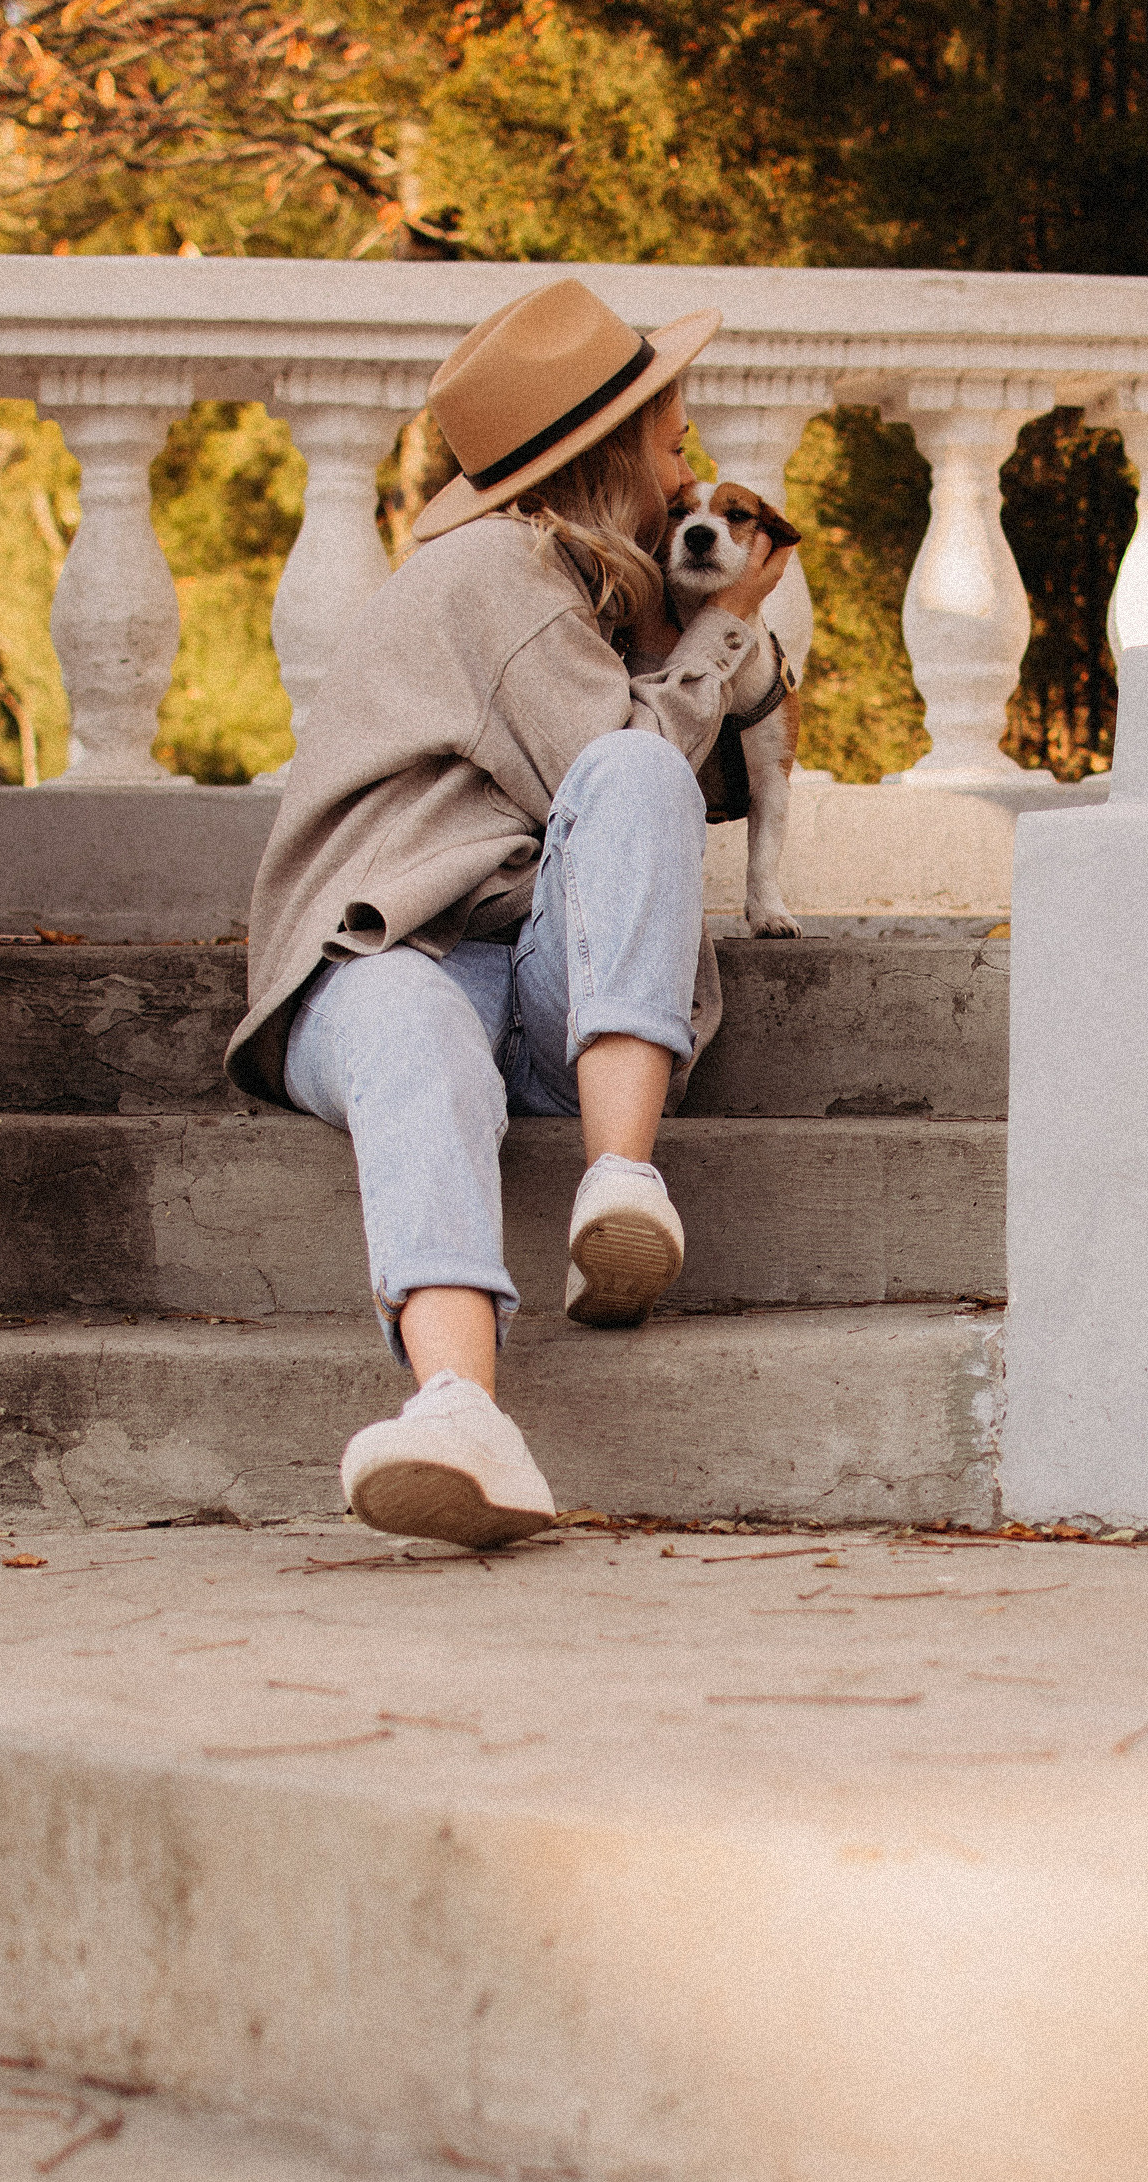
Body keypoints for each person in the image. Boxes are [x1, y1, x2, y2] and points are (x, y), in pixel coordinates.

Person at [224, 278, 790, 1550]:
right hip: (367, 960)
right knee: (420, 1013)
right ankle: (460, 1411)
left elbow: (625, 809)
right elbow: (624, 753)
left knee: (633, 777)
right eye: (667, 440)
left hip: (520, 977)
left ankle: (619, 1182)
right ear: (608, 457)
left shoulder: (577, 591)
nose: (683, 462)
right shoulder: (503, 572)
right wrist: (723, 631)